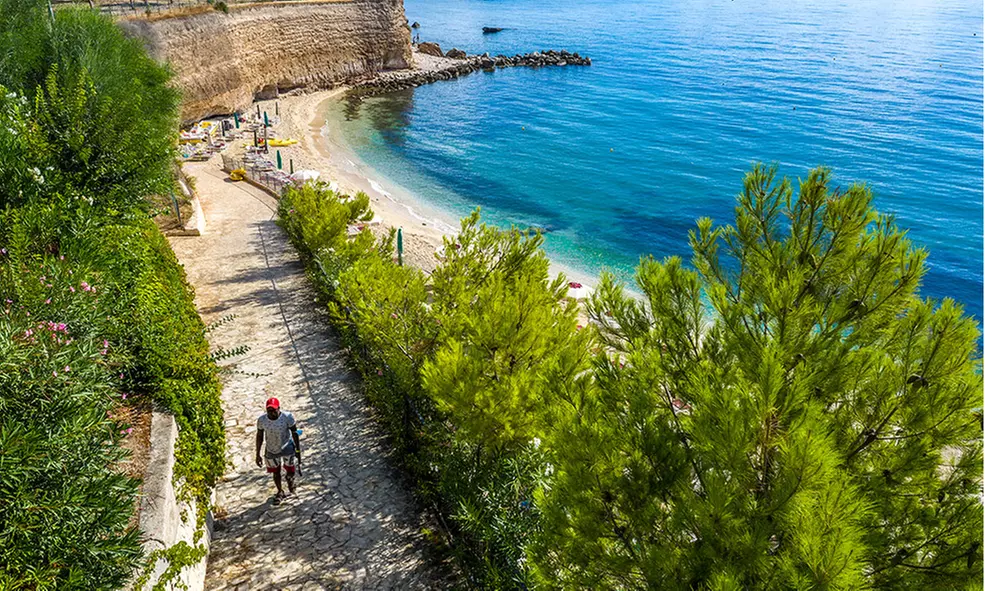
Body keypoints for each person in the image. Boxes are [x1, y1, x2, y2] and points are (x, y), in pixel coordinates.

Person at [255, 397, 301, 503]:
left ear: (279, 408)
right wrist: (257, 454)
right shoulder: (262, 420)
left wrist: (298, 450)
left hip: (287, 446)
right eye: (269, 410)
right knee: (276, 473)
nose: (272, 413)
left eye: (274, 410)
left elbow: (294, 433)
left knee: (290, 469)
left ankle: (290, 480)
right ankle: (280, 491)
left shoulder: (287, 417)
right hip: (271, 448)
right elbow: (259, 436)